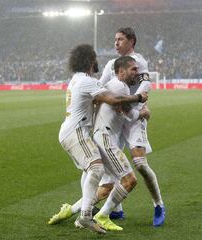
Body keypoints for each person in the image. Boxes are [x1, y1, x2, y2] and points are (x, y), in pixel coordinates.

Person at [49, 56, 150, 231]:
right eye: (133, 69)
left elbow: (124, 111)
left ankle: (71, 210)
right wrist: (141, 104)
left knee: (107, 186)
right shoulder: (118, 87)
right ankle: (100, 216)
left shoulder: (115, 86)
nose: (137, 72)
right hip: (105, 138)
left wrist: (138, 109)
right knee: (129, 180)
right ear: (121, 71)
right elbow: (122, 107)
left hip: (102, 137)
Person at [98, 27, 166, 227]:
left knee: (140, 164)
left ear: (131, 41)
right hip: (118, 118)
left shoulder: (139, 61)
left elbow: (145, 86)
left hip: (136, 116)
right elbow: (101, 87)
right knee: (113, 164)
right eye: (115, 39)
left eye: (120, 39)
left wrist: (135, 106)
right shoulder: (111, 64)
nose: (116, 43)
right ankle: (116, 210)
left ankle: (159, 205)